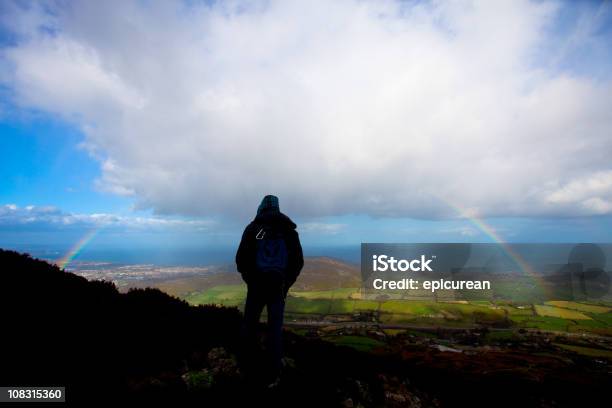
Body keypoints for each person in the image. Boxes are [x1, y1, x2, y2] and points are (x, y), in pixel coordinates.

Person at [235, 195, 304, 386]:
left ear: (261, 207)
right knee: (275, 331)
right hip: (277, 287)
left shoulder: (254, 229)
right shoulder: (288, 230)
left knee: (249, 326)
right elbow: (298, 262)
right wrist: (285, 284)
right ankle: (273, 375)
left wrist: (251, 280)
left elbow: (241, 259)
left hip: (257, 286)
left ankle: (246, 369)